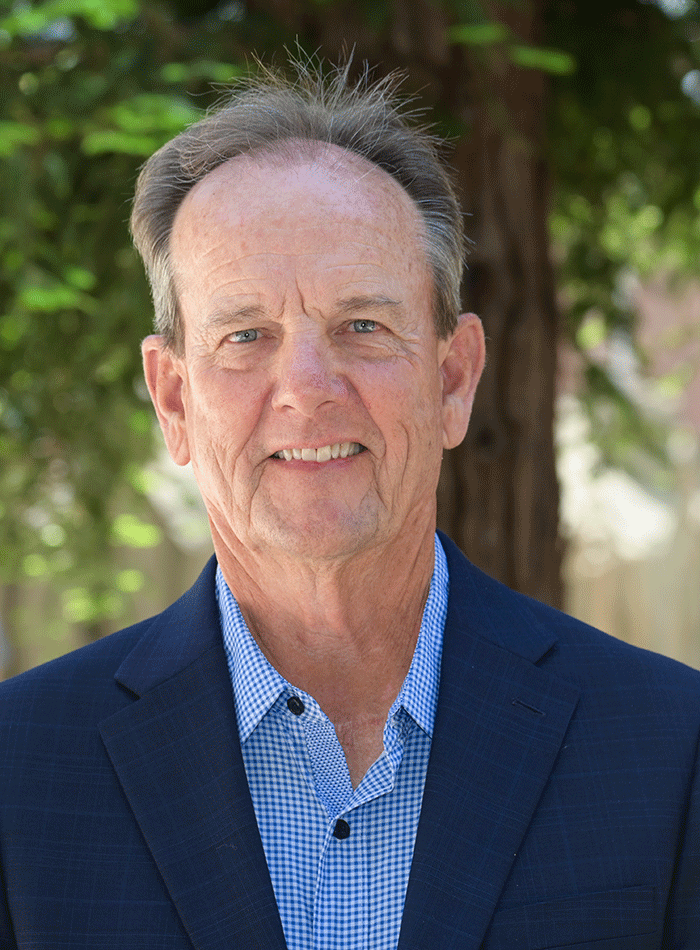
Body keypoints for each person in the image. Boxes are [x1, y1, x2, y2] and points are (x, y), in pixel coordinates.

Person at [1, 58, 699, 950]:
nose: (306, 389)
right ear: (174, 400)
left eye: (362, 326)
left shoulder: (669, 746)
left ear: (454, 380)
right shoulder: (19, 770)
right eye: (246, 335)